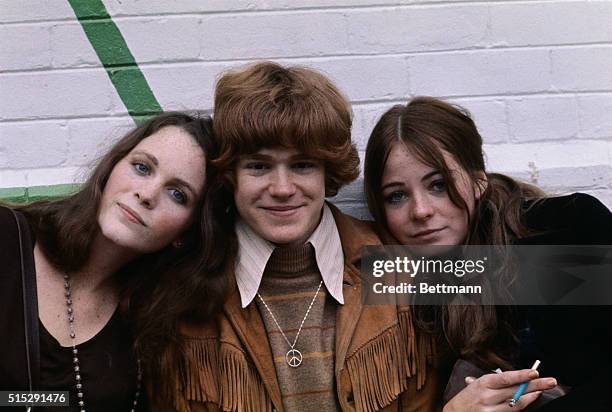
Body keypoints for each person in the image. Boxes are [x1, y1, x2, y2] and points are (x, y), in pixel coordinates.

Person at [167, 61, 444, 412]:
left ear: (328, 172)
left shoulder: (395, 269)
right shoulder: (184, 290)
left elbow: (519, 277)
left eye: (302, 165)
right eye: (259, 166)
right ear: (231, 174)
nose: (282, 189)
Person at [363, 96, 612, 411]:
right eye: (396, 196)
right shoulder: (403, 284)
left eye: (438, 185)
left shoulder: (565, 229)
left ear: (478, 179)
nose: (421, 211)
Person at [0, 113, 232, 411]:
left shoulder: (151, 322)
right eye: (142, 167)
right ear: (111, 168)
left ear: (186, 233)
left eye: (177, 194)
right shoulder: (8, 239)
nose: (146, 195)